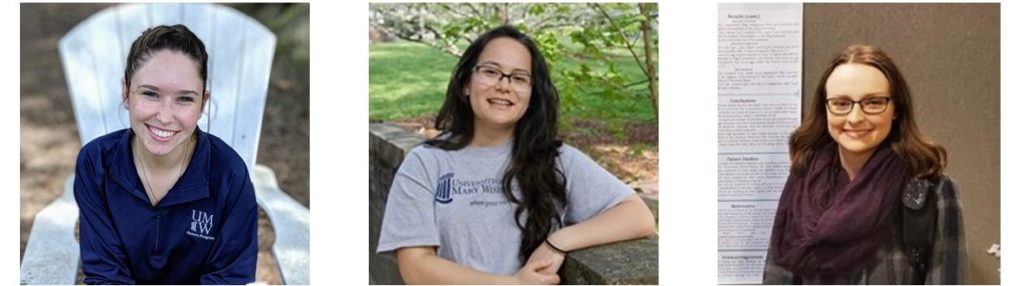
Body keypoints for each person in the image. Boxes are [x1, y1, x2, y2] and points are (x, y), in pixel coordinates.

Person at [376, 26, 657, 284]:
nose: (504, 85)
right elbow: (415, 267)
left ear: (532, 94)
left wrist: (557, 242)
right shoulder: (426, 163)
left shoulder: (557, 160)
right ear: (465, 83)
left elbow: (638, 217)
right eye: (490, 71)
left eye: (519, 77)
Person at [763, 44, 965, 284]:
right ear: (825, 109)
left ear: (895, 109)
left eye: (873, 102)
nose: (855, 118)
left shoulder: (930, 191)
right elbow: (778, 278)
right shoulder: (801, 185)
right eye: (841, 103)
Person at [73, 24, 257, 284]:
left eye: (184, 99)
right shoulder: (96, 164)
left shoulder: (229, 174)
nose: (164, 116)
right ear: (126, 92)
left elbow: (228, 278)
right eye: (150, 93)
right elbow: (105, 274)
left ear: (203, 103)